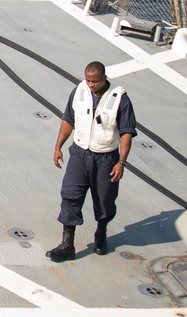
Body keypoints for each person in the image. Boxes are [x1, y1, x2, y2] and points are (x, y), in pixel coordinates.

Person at [46, 61, 136, 262]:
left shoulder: (120, 98)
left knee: (104, 199)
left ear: (104, 78)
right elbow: (69, 119)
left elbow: (127, 133)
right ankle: (67, 243)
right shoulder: (79, 91)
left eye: (95, 81)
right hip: (79, 154)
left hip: (106, 157)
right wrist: (58, 146)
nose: (91, 85)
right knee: (70, 195)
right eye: (88, 80)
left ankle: (101, 232)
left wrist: (121, 162)